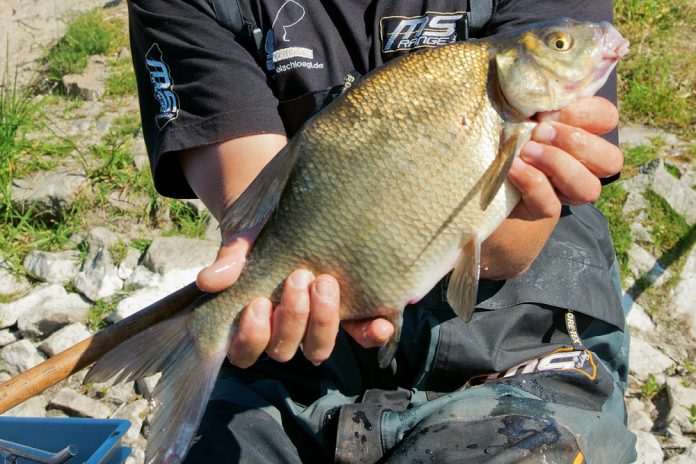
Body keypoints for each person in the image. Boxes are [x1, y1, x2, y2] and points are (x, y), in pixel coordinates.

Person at [129, 0, 637, 462]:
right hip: (304, 333)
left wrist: (526, 196)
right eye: (561, 43)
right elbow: (264, 215)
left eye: (559, 45)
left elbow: (510, 252)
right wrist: (270, 286)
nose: (581, 42)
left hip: (516, 330)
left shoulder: (515, 87)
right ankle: (200, 347)